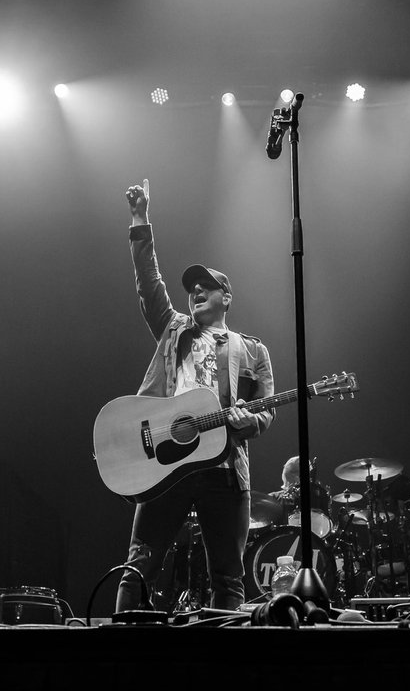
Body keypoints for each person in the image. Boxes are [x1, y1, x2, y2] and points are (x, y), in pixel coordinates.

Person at [115, 178, 275, 612]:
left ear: (227, 297)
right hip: (165, 462)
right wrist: (140, 221)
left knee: (229, 576)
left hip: (223, 470)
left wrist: (250, 420)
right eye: (192, 287)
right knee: (139, 565)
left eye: (207, 285)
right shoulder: (173, 329)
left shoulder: (253, 350)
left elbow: (265, 411)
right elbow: (149, 284)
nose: (196, 290)